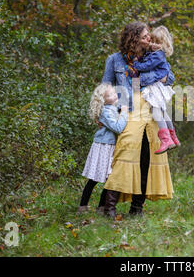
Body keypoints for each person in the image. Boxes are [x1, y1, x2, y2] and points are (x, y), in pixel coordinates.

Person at [100, 21, 175, 218]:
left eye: (149, 36)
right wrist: (103, 113)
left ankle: (137, 208)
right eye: (144, 36)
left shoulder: (151, 56)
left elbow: (170, 76)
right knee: (125, 151)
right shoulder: (115, 60)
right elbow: (106, 87)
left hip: (150, 107)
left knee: (147, 156)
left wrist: (164, 78)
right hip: (128, 108)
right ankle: (109, 207)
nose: (148, 39)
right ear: (133, 39)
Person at [77, 83, 128, 214]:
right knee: (94, 179)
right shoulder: (105, 111)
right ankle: (82, 206)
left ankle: (101, 207)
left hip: (111, 146)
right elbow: (118, 127)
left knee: (110, 178)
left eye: (114, 92)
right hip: (104, 147)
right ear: (103, 100)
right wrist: (124, 113)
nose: (115, 95)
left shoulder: (112, 107)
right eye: (110, 95)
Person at [132, 25, 180, 154]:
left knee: (156, 111)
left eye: (157, 43)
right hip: (156, 86)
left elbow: (147, 66)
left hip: (154, 88)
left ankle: (166, 140)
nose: (153, 44)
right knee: (164, 112)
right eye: (152, 41)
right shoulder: (154, 53)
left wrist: (136, 63)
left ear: (164, 44)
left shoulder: (158, 55)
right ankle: (173, 137)